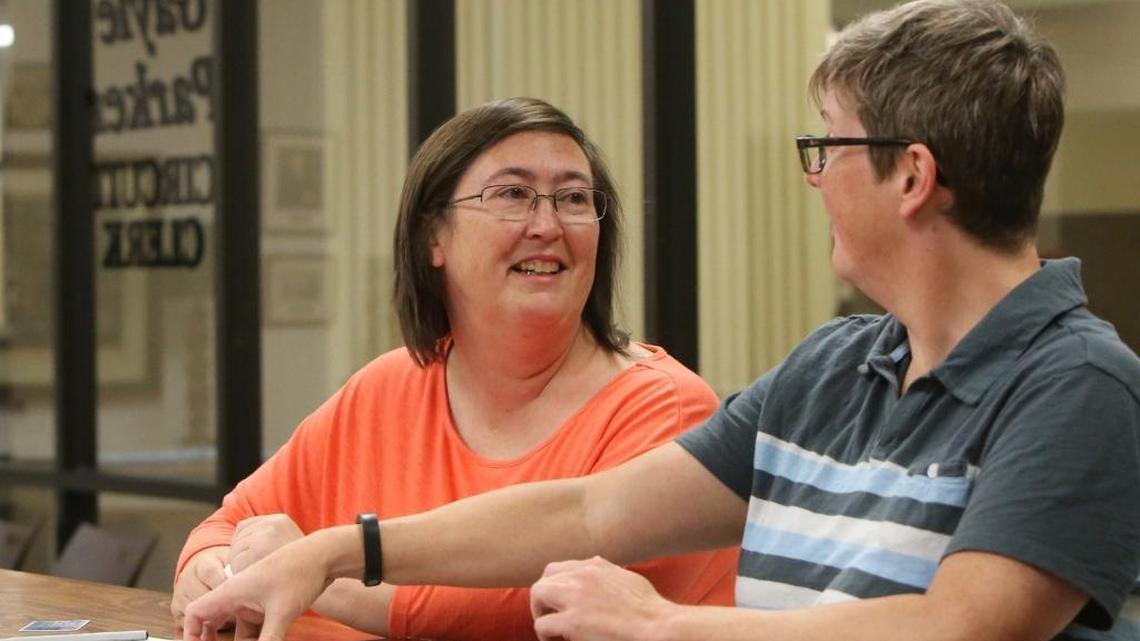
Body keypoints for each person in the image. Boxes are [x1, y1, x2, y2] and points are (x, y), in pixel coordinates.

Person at [182, 2, 1140, 641]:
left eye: (828, 148)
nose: (814, 178)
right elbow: (592, 508)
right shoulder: (837, 364)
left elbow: (958, 625)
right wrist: (337, 549)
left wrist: (658, 625)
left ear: (912, 176)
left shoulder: (1077, 382)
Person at [170, 96, 739, 641]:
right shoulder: (385, 388)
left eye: (572, 198)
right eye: (514, 194)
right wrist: (215, 570)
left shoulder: (667, 406)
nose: (547, 224)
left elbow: (541, 615)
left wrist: (312, 575)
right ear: (432, 235)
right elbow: (228, 525)